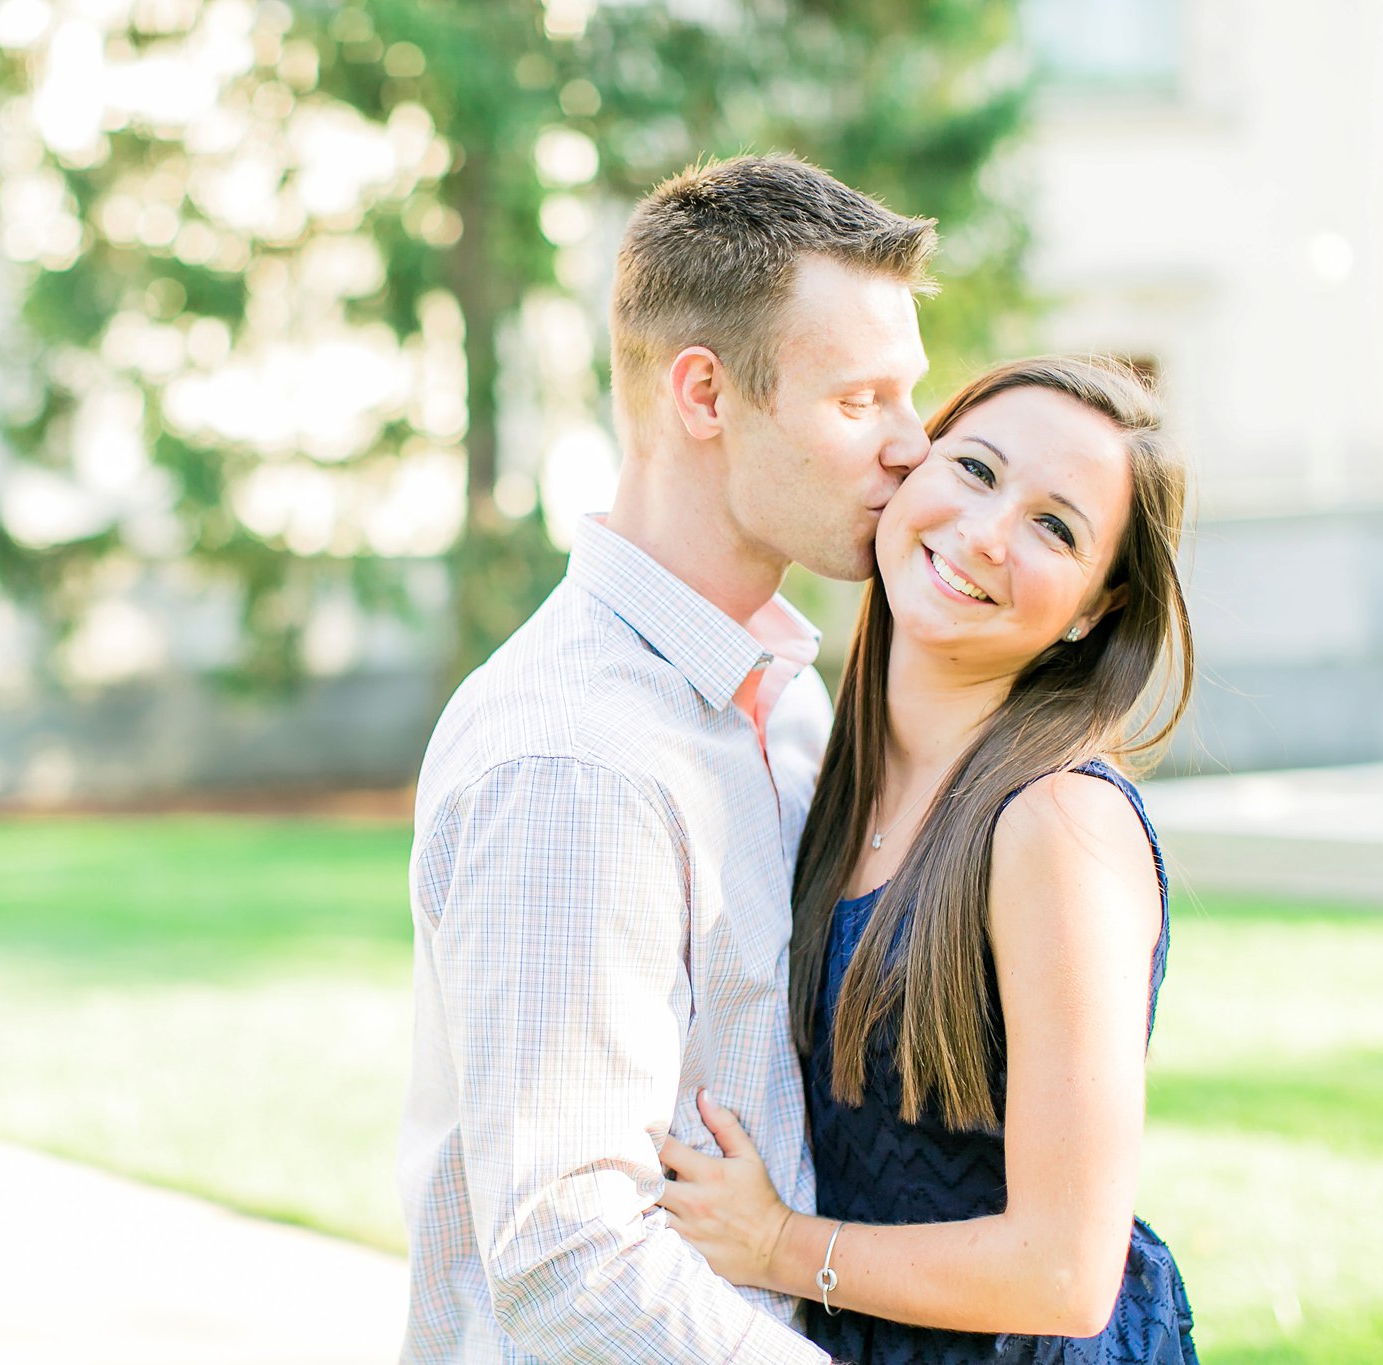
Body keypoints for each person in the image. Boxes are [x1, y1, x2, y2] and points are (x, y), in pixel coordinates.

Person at [398, 154, 936, 1362]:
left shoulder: (785, 709)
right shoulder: (571, 758)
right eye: (861, 403)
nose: (912, 447)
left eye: (911, 397)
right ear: (704, 395)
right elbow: (567, 1259)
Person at [656, 355, 1201, 1364]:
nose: (986, 534)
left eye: (1054, 527)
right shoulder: (827, 771)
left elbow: (1065, 1273)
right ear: (910, 472)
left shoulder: (1055, 824)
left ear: (1092, 608)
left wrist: (781, 1246)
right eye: (977, 471)